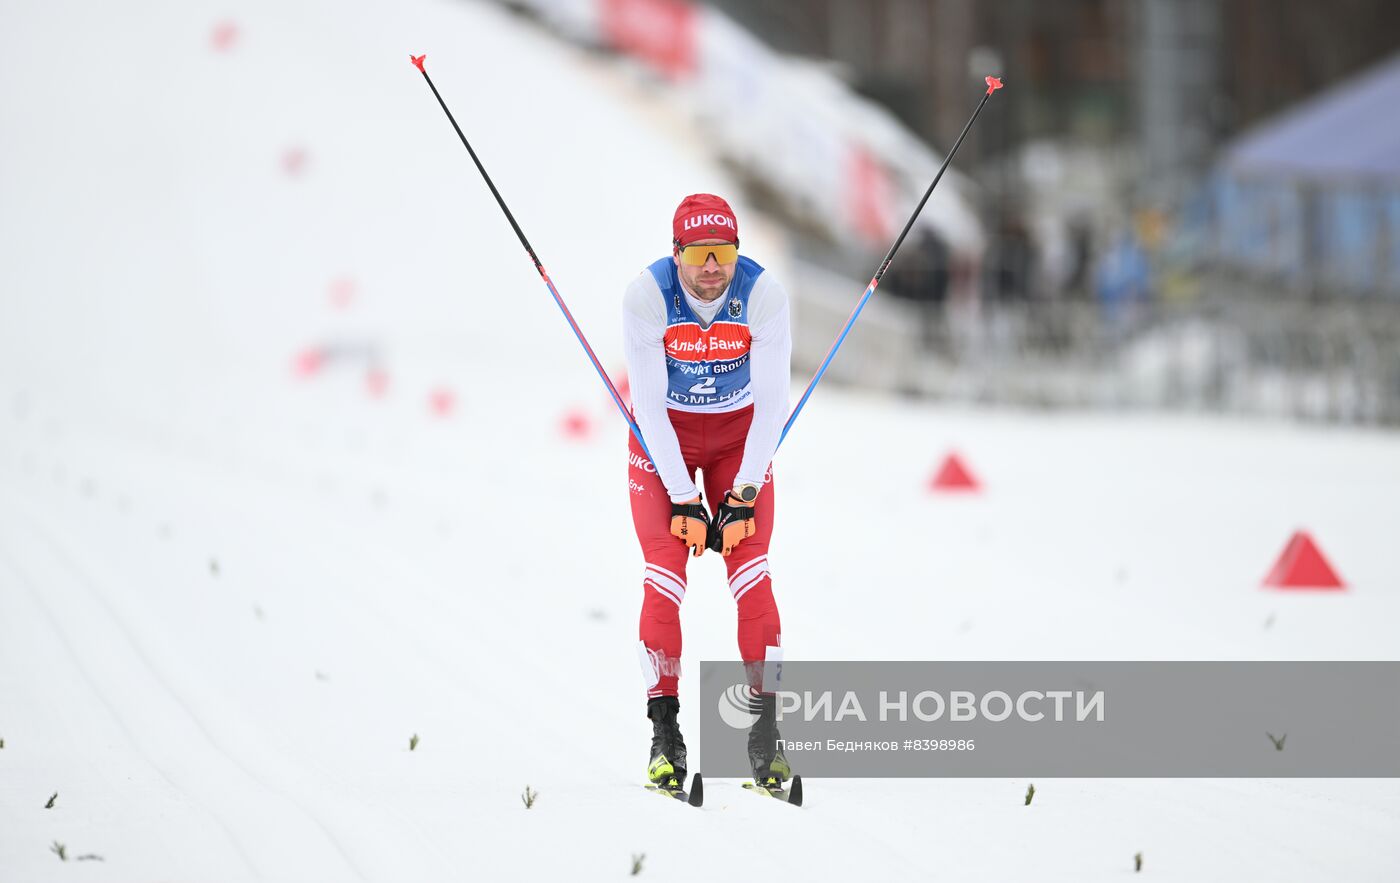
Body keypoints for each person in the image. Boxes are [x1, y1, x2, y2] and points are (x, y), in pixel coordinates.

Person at [623, 193, 792, 794]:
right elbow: (645, 405)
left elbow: (772, 403)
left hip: (737, 440)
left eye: (723, 253)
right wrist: (684, 500)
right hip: (661, 440)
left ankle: (764, 732)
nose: (712, 268)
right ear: (677, 255)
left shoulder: (764, 295)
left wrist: (742, 494)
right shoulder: (646, 296)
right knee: (665, 576)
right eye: (699, 255)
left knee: (753, 575)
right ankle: (664, 734)